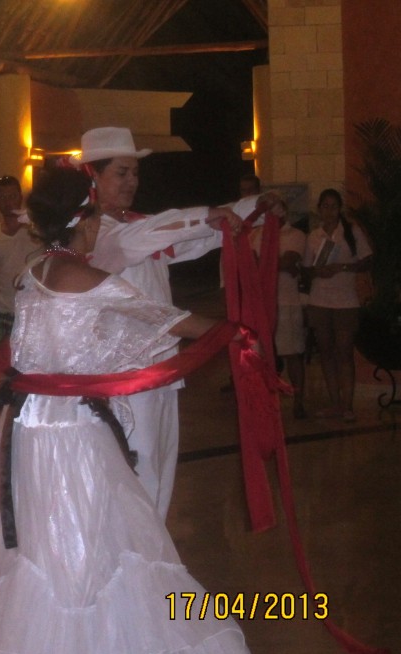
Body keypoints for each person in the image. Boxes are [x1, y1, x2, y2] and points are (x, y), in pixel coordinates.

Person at [0, 167, 281, 654]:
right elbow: (169, 321)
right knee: (101, 550)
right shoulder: (82, 278)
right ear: (83, 219)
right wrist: (239, 332)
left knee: (52, 553)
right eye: (95, 218)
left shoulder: (36, 271)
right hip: (69, 437)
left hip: (32, 430)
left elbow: (59, 347)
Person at [69, 126, 260, 519]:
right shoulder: (96, 233)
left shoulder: (136, 227)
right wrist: (210, 216)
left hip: (162, 368)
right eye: (121, 173)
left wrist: (251, 209)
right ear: (94, 175)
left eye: (135, 172)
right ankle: (133, 564)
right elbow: (159, 231)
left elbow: (191, 238)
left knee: (158, 471)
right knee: (136, 474)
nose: (131, 181)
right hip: (124, 374)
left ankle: (151, 560)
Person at [301, 188, 373, 422]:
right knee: (326, 351)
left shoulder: (351, 232)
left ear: (339, 208)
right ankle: (334, 403)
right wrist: (316, 271)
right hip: (320, 299)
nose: (329, 211)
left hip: (345, 299)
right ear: (319, 209)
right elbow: (307, 268)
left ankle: (347, 404)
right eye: (325, 206)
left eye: (333, 206)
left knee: (344, 351)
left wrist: (343, 267)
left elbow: (366, 260)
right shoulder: (314, 235)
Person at [251, 196, 308, 419]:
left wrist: (270, 264)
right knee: (263, 355)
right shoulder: (256, 235)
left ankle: (299, 401)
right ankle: (266, 401)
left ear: (283, 210)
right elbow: (255, 265)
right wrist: (278, 264)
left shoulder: (295, 235)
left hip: (286, 302)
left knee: (293, 353)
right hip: (262, 304)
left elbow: (288, 261)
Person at [0, 174, 39, 343]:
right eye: (2, 197)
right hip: (4, 313)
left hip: (34, 313)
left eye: (11, 196)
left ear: (20, 196)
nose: (7, 202)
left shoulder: (37, 231)